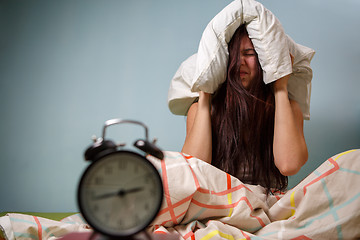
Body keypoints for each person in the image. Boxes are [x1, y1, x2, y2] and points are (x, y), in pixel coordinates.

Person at [181, 24, 308, 192]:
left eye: (249, 54)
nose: (240, 62)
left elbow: (288, 165)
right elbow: (194, 170)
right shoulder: (200, 110)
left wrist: (280, 88)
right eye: (232, 56)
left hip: (269, 202)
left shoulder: (289, 108)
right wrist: (205, 92)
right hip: (220, 201)